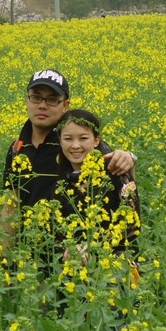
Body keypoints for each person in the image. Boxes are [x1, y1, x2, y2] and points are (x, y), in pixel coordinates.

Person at [0, 69, 136, 260]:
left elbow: (120, 182)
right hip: (30, 259)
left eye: (52, 99)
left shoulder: (74, 144)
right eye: (36, 98)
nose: (42, 105)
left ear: (65, 105)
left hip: (76, 258)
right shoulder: (17, 148)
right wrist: (5, 261)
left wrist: (128, 157)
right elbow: (10, 207)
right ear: (27, 100)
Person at [55, 109, 140, 262]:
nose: (75, 146)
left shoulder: (116, 171)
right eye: (68, 138)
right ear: (60, 141)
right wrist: (69, 249)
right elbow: (56, 234)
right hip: (75, 268)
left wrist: (93, 248)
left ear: (96, 140)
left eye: (83, 138)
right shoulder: (59, 181)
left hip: (118, 265)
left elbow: (132, 227)